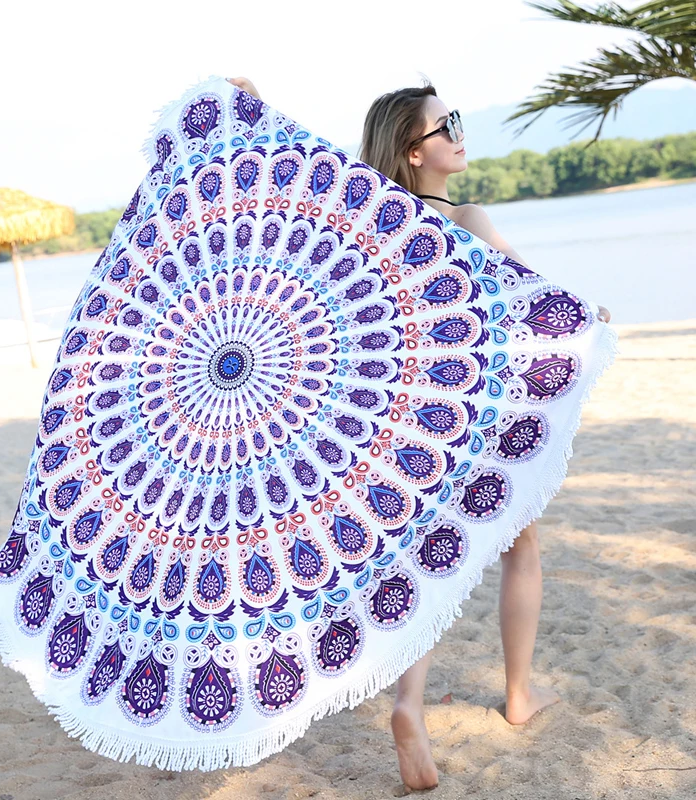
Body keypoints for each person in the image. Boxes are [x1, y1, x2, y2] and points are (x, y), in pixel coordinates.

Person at [229, 76, 611, 791]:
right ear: (413, 151)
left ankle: (410, 701)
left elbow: (298, 179)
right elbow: (532, 295)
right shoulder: (465, 218)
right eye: (446, 127)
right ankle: (520, 694)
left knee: (424, 564)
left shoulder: (376, 227)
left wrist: (251, 111)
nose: (460, 135)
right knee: (522, 547)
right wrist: (589, 315)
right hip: (480, 414)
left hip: (412, 426)